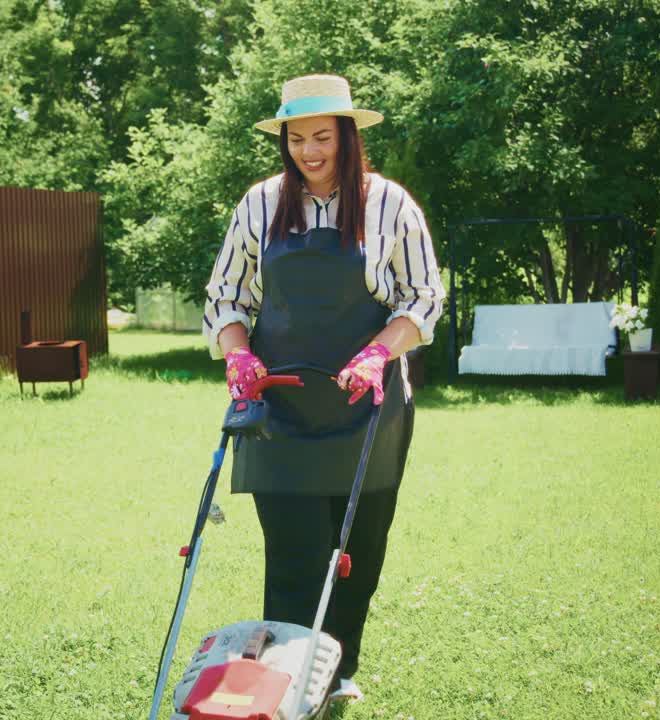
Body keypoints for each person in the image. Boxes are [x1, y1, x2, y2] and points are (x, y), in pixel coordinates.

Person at [201, 74, 446, 702]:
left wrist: (375, 354)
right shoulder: (258, 204)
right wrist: (237, 354)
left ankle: (335, 675)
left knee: (355, 552)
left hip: (367, 408)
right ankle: (281, 682)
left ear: (348, 137)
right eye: (297, 138)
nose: (309, 151)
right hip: (278, 407)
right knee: (293, 553)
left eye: (322, 138)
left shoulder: (390, 205)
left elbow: (424, 297)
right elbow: (226, 297)